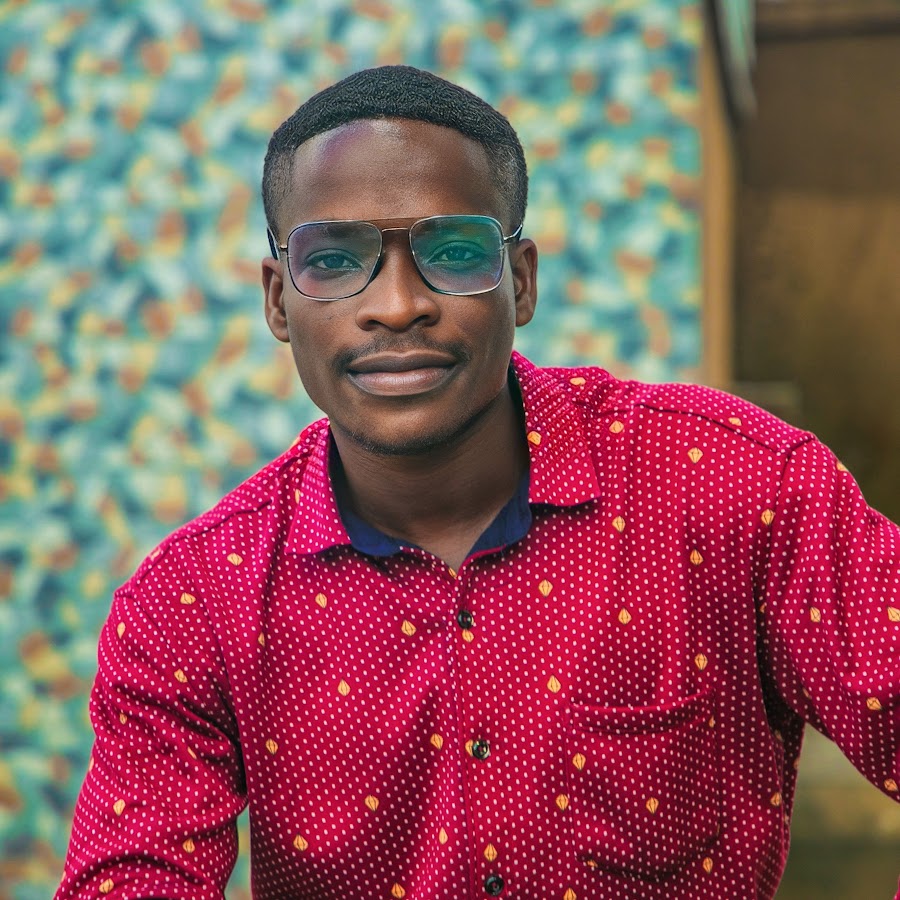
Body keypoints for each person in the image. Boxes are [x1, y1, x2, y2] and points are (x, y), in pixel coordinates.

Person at [55, 65, 898, 900]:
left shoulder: (736, 486)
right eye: (335, 260)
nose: (396, 305)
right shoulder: (194, 600)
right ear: (278, 302)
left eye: (453, 253)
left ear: (520, 282)